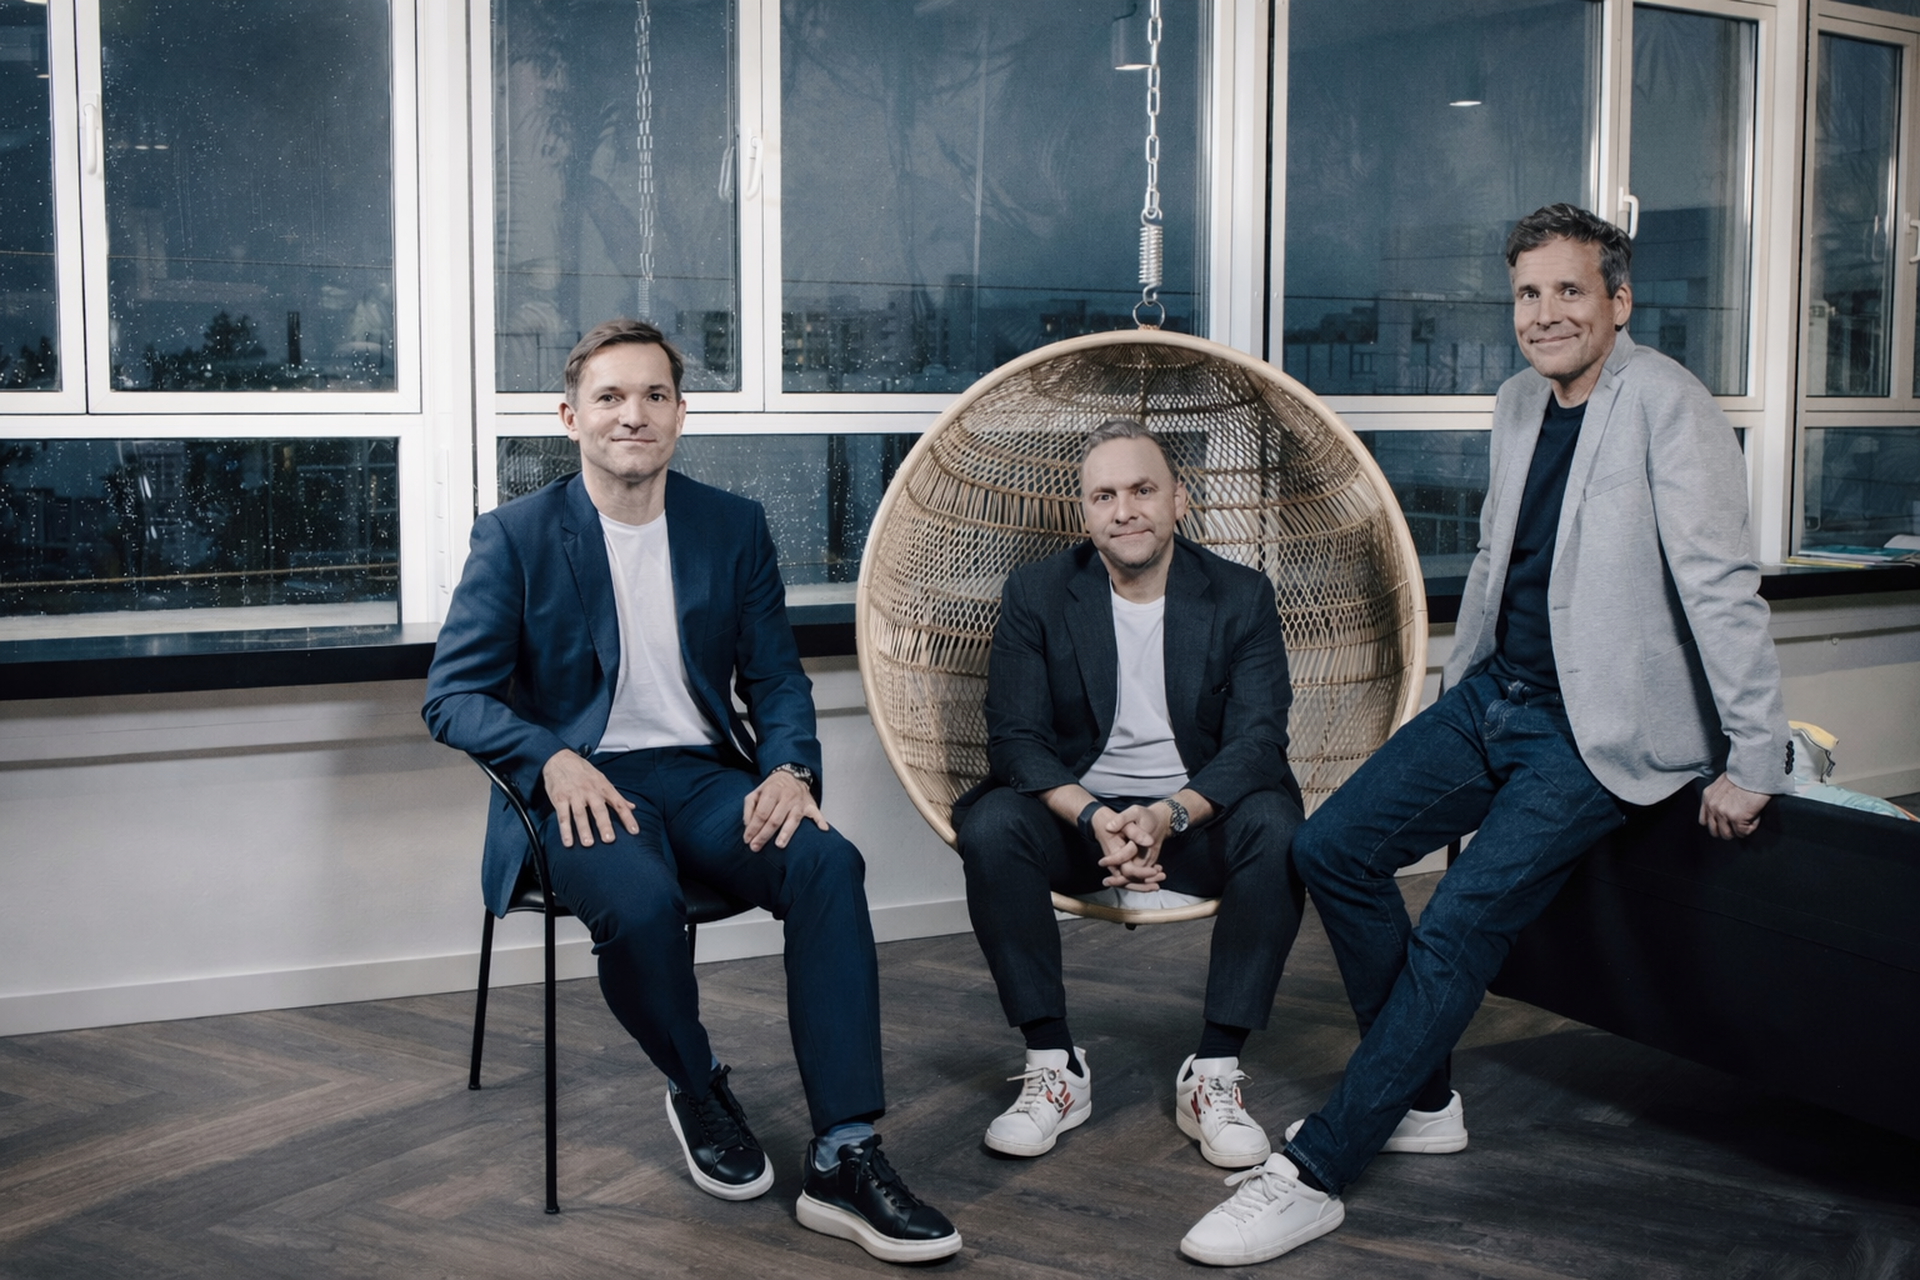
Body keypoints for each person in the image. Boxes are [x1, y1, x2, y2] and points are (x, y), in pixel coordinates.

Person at [1178, 203, 1793, 1266]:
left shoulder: (1669, 403)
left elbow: (1720, 586)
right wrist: (1458, 693)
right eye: (1527, 294)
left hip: (1595, 730)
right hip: (1492, 695)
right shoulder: (1516, 401)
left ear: (1618, 301)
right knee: (1331, 848)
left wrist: (1755, 755)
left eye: (1569, 290)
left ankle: (1316, 1170)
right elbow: (1502, 559)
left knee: (1457, 923)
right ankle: (1421, 1098)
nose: (1544, 313)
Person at [423, 319, 960, 1264]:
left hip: (706, 776)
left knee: (827, 863)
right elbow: (452, 697)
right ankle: (698, 1079)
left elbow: (777, 678)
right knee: (640, 904)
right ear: (570, 417)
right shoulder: (515, 536)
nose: (633, 414)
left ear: (680, 413)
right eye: (610, 397)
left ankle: (843, 1153)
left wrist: (790, 770)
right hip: (585, 784)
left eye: (655, 395)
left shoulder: (731, 525)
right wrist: (549, 759)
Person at [954, 416, 1307, 1173]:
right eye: (1104, 496)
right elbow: (1016, 740)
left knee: (1278, 825)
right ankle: (1054, 1065)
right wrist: (1096, 817)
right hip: (1081, 822)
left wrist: (1168, 814)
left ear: (1180, 499)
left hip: (1196, 818)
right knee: (991, 824)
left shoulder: (1240, 595)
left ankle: (1214, 1071)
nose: (1125, 511)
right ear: (1084, 512)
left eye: (1143, 490)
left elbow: (1257, 743)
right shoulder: (1037, 592)